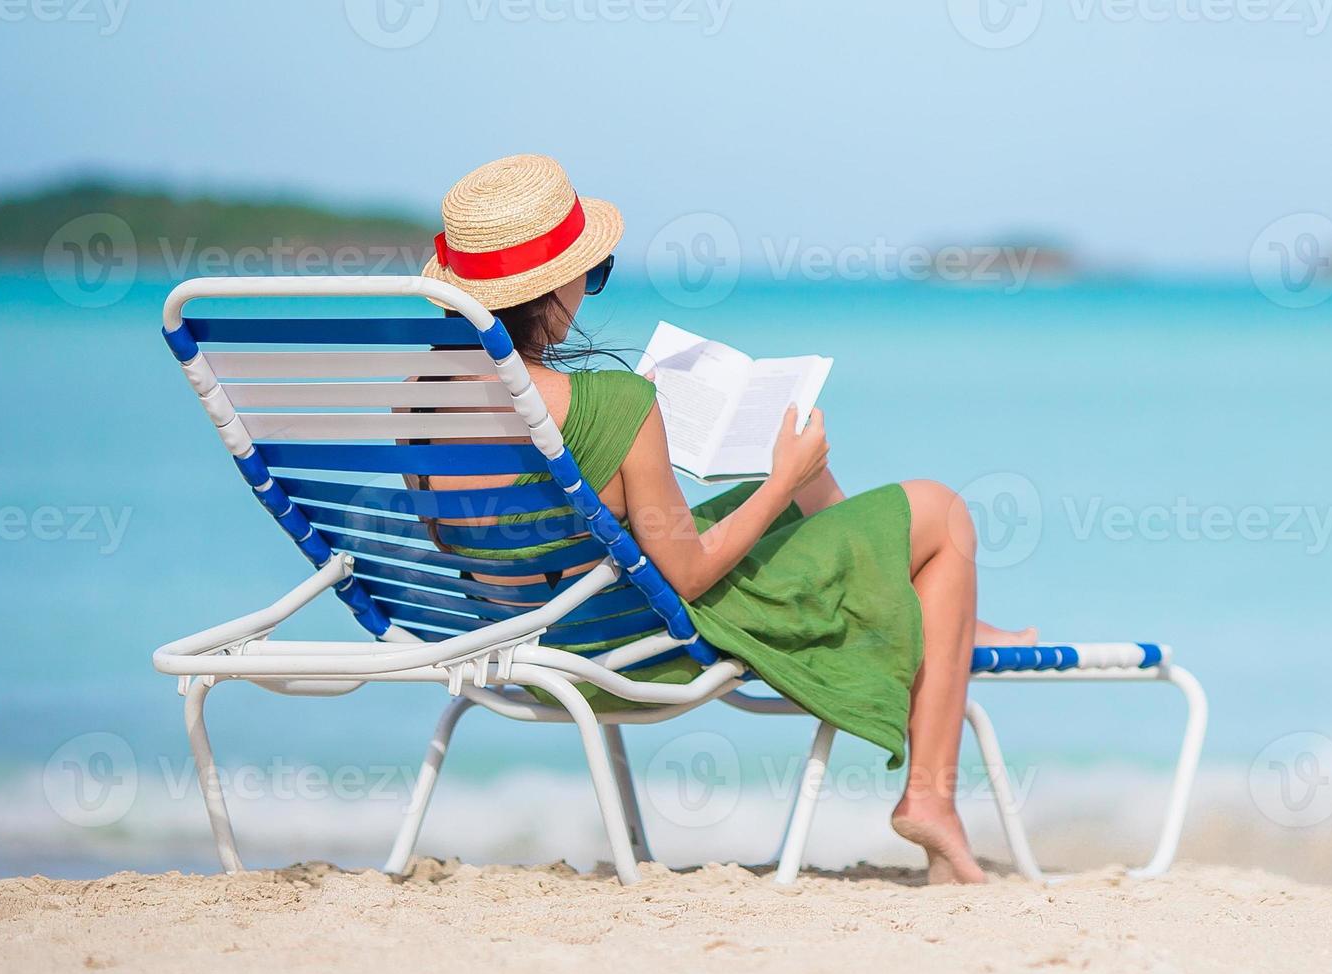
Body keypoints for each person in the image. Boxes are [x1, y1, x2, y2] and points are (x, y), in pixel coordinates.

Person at [414, 154, 1032, 884]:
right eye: (595, 272)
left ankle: (943, 609)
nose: (590, 288)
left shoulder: (424, 399)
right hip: (631, 646)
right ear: (554, 288)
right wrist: (781, 479)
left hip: (534, 631)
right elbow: (691, 572)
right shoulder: (609, 402)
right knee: (941, 510)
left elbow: (476, 532)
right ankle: (930, 794)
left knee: (779, 504)